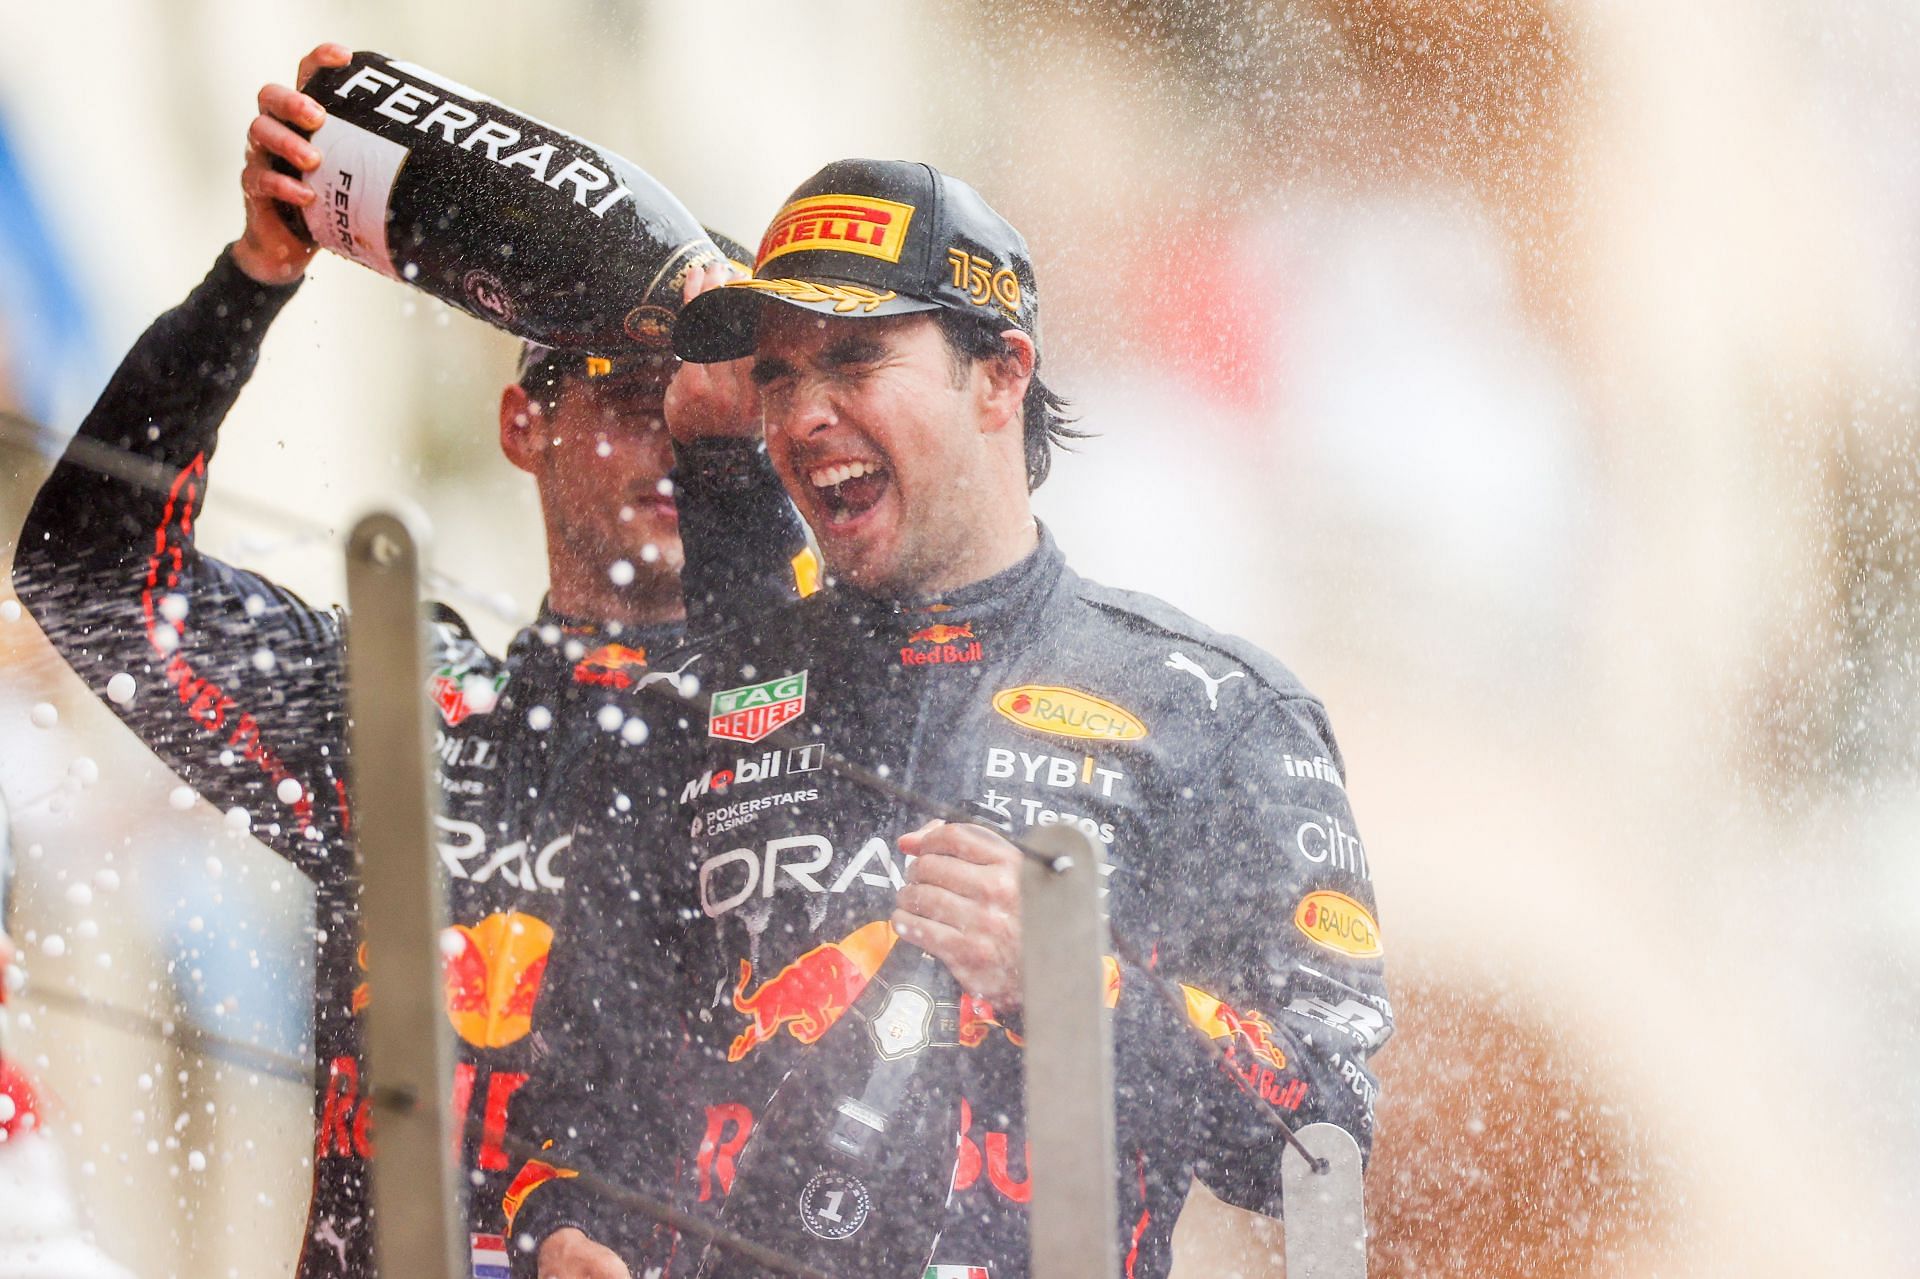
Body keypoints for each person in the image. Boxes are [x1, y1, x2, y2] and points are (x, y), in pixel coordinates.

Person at [9, 44, 808, 1279]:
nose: (669, 429)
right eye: (626, 388)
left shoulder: (814, 728)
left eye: (705, 402)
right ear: (523, 424)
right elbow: (89, 575)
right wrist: (251, 281)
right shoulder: (407, 709)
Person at [521, 159, 1393, 1279]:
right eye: (779, 377)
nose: (805, 414)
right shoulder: (689, 707)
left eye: (853, 358)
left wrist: (1082, 985)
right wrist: (565, 1231)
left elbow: (1323, 1141)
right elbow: (579, 1099)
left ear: (1000, 375)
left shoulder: (1215, 713)